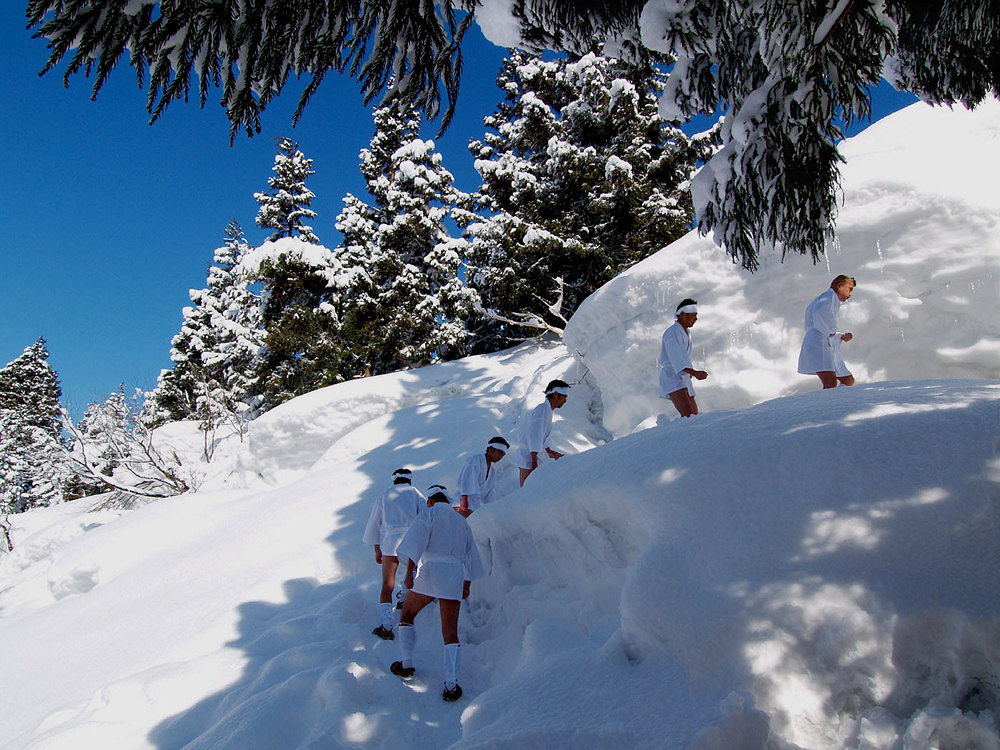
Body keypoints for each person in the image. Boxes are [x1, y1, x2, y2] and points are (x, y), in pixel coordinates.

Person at [391, 485, 486, 702]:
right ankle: (451, 684)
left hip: (431, 571)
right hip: (454, 574)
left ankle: (406, 663)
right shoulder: (461, 521)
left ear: (431, 500)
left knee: (407, 614)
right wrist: (467, 583)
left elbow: (416, 541)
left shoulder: (430, 513)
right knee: (450, 632)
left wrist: (410, 572)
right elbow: (471, 554)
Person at [362, 468, 425, 640]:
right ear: (409, 480)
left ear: (394, 481)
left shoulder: (384, 495)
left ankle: (387, 625)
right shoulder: (415, 493)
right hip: (410, 540)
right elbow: (425, 516)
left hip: (390, 542)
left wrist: (377, 548)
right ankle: (404, 598)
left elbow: (374, 523)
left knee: (387, 584)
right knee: (411, 574)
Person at [797, 275, 857, 389]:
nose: (851, 294)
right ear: (840, 286)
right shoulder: (828, 297)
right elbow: (820, 311)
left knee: (848, 379)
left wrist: (840, 336)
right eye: (850, 289)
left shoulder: (829, 299)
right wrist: (831, 330)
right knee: (830, 382)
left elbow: (819, 323)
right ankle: (828, 401)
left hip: (825, 342)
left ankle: (840, 398)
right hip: (818, 343)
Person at [658, 298, 708, 418]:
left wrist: (691, 373)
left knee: (694, 415)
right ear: (683, 314)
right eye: (693, 315)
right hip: (672, 377)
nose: (696, 319)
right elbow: (676, 355)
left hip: (684, 376)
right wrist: (694, 372)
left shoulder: (685, 332)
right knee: (688, 415)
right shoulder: (672, 332)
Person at [514, 380, 569, 486]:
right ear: (556, 394)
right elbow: (534, 435)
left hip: (534, 457)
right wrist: (534, 463)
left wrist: (551, 452)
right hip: (529, 458)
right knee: (527, 491)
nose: (565, 400)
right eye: (564, 397)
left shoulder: (547, 410)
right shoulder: (542, 409)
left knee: (533, 490)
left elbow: (542, 438)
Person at [455, 436, 510, 517]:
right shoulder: (475, 460)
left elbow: (490, 495)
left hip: (474, 507)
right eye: (499, 452)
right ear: (491, 449)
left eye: (503, 455)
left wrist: (493, 509)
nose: (501, 457)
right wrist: (464, 500)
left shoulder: (492, 472)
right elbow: (466, 479)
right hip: (461, 503)